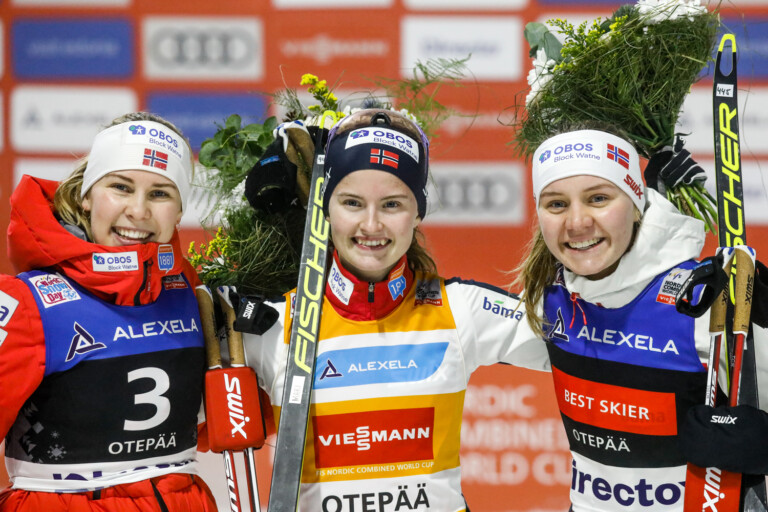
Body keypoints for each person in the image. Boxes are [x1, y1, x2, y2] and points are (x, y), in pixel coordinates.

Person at [227, 108, 550, 511]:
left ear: (418, 212)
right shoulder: (273, 326)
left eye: (392, 204)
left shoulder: (459, 309)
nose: (371, 224)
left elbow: (590, 341)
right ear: (326, 209)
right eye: (352, 203)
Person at [515, 127, 768, 511]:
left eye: (598, 198)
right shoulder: (547, 298)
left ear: (637, 203)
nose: (577, 222)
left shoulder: (704, 303)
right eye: (556, 204)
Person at [0, 113, 217, 511]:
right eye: (120, 187)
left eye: (160, 193)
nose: (138, 211)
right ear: (86, 195)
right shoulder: (28, 303)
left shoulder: (192, 291)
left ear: (179, 211)